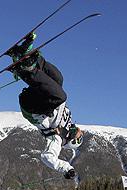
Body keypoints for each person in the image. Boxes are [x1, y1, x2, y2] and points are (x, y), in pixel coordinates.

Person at [7, 32, 84, 180]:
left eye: (79, 133)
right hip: (42, 98)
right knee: (59, 79)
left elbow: (47, 157)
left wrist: (67, 169)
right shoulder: (68, 122)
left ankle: (25, 70)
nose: (78, 129)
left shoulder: (57, 139)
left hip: (32, 107)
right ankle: (30, 58)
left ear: (73, 140)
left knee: (61, 96)